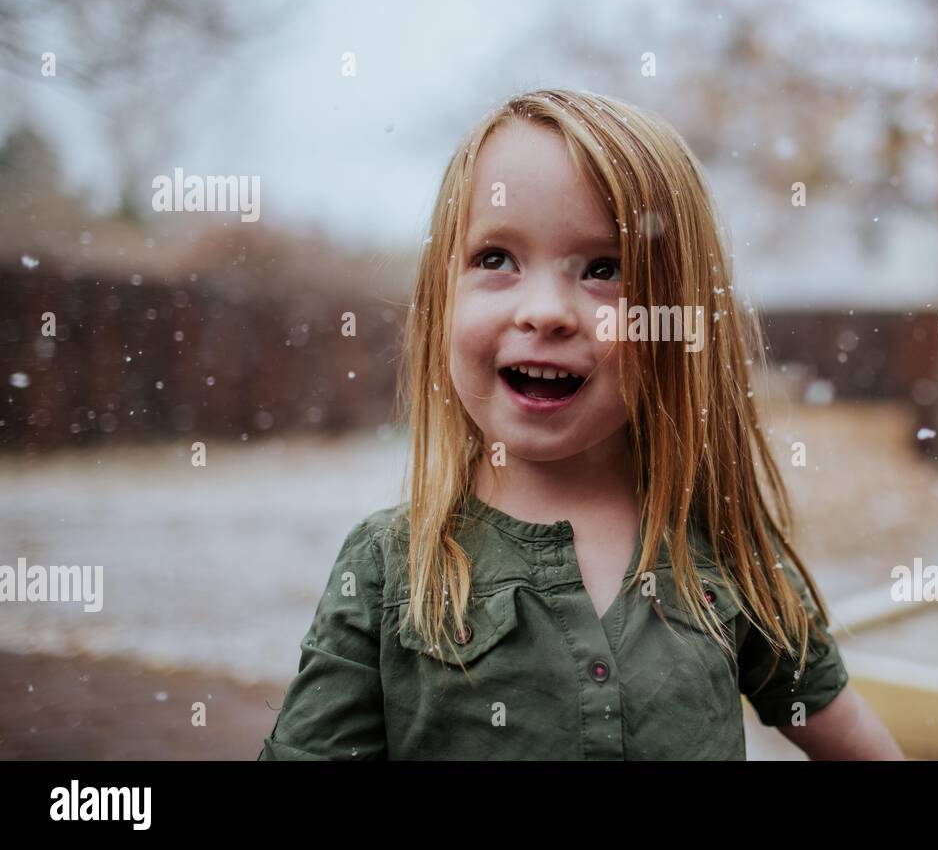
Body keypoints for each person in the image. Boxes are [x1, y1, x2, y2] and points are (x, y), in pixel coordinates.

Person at [258, 89, 904, 760]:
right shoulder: (392, 569)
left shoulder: (724, 549)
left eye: (605, 270)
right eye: (496, 259)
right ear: (441, 295)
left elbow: (851, 737)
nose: (546, 311)